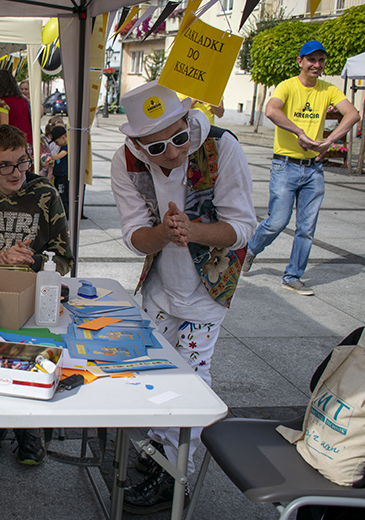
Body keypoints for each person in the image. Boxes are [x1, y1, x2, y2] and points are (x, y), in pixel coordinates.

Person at [110, 81, 257, 514]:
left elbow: (242, 225)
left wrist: (192, 230)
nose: (173, 153)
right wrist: (166, 233)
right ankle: (160, 444)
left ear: (187, 119)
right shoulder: (126, 160)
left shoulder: (221, 147)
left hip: (209, 289)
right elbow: (135, 235)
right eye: (157, 147)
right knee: (153, 369)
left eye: (178, 137)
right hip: (160, 286)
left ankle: (176, 473)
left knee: (190, 378)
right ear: (137, 143)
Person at [0, 124, 73, 465]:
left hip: (35, 295)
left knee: (29, 356)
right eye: (4, 165)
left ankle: (26, 428)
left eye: (22, 162)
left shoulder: (45, 194)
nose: (17, 172)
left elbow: (65, 259)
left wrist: (34, 259)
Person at [242, 40, 359, 296]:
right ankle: (250, 249)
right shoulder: (287, 86)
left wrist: (329, 141)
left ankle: (292, 276)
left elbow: (353, 114)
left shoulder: (328, 89)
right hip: (285, 165)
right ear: (301, 62)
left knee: (307, 228)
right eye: (311, 60)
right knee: (277, 222)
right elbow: (271, 110)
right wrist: (299, 132)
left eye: (321, 60)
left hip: (313, 169)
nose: (317, 65)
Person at [0, 69, 32, 151]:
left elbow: (5, 128)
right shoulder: (23, 100)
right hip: (28, 141)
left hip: (14, 144)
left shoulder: (3, 103)